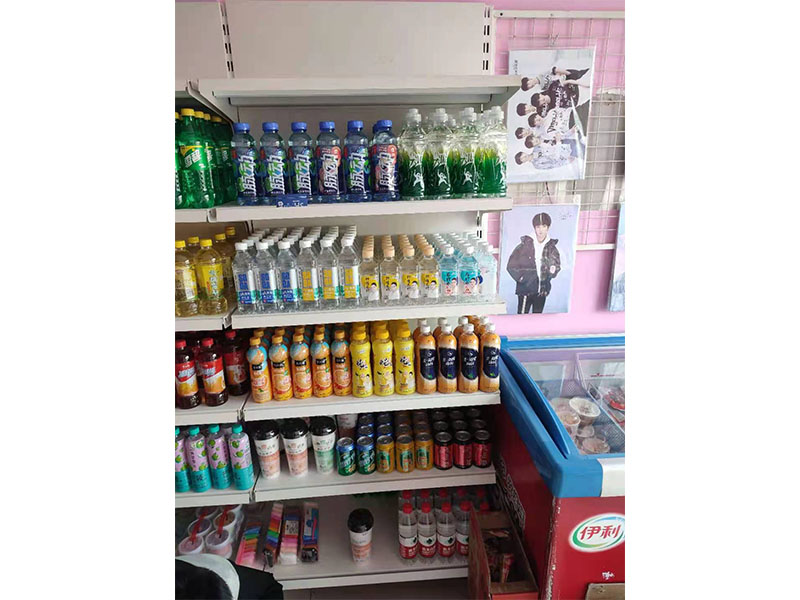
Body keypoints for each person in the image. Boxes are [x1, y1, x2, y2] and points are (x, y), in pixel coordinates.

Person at [506, 212, 561, 313]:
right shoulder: (524, 245)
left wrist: (553, 270)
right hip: (525, 290)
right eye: (538, 227)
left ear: (548, 228)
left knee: (538, 318)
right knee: (522, 317)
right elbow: (511, 265)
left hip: (542, 290)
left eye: (544, 226)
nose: (541, 230)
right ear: (534, 228)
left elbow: (556, 265)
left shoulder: (551, 248)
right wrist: (522, 278)